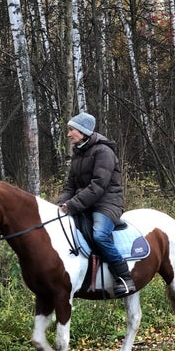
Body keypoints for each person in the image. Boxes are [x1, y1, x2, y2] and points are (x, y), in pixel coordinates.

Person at [57, 111, 136, 296]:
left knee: (99, 235)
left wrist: (72, 205)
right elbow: (70, 185)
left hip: (107, 204)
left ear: (83, 131)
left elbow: (98, 186)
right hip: (85, 204)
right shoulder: (78, 154)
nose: (68, 134)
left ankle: (124, 277)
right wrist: (60, 205)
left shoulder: (104, 152)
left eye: (71, 130)